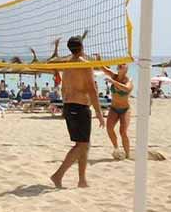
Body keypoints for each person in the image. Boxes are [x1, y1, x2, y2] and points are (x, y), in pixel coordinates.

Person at [51, 36, 104, 188]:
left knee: (84, 144)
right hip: (79, 107)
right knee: (81, 145)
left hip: (70, 106)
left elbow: (63, 89)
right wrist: (99, 114)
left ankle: (82, 180)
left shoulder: (67, 65)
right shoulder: (85, 64)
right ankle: (58, 175)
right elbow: (92, 90)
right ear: (82, 46)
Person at [100, 64, 132, 160]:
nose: (120, 65)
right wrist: (98, 60)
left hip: (125, 109)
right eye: (120, 65)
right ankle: (116, 148)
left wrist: (113, 82)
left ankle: (127, 154)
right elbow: (103, 69)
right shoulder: (114, 76)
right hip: (114, 108)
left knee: (123, 132)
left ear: (126, 69)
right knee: (109, 128)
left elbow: (126, 88)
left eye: (123, 65)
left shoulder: (128, 81)